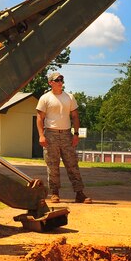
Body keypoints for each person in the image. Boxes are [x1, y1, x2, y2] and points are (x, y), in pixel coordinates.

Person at [36, 71, 92, 204]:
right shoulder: (45, 98)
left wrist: (76, 134)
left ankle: (79, 194)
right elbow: (39, 118)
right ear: (51, 83)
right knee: (52, 165)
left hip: (67, 134)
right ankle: (54, 193)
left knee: (72, 164)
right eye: (57, 80)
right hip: (50, 134)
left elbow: (75, 116)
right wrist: (41, 135)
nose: (61, 82)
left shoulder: (70, 97)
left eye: (62, 79)